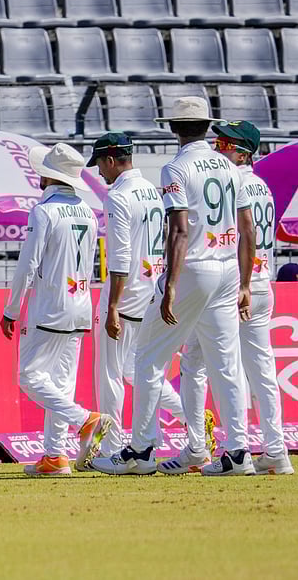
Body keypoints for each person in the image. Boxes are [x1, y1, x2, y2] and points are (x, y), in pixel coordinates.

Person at [93, 97, 256, 477]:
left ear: (174, 128)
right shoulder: (231, 166)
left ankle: (141, 450)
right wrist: (245, 282)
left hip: (194, 269)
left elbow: (180, 230)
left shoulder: (176, 167)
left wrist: (170, 288)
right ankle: (237, 453)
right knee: (227, 365)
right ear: (206, 126)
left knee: (148, 358)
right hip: (228, 266)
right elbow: (248, 229)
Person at [166, 121, 294, 475]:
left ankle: (205, 447)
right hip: (261, 282)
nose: (218, 147)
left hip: (235, 284)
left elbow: (237, 234)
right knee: (261, 370)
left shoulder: (233, 182)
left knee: (198, 363)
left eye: (225, 143)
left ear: (243, 152)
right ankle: (276, 449)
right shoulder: (261, 186)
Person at [0, 143, 114, 477]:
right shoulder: (87, 212)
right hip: (80, 303)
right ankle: (55, 455)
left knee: (30, 377)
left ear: (49, 175)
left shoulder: (44, 211)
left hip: (50, 305)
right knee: (60, 385)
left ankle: (85, 420)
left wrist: (11, 308)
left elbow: (28, 264)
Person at [87, 133, 187, 463]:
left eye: (101, 164)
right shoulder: (151, 191)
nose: (100, 172)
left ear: (112, 161)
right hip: (151, 292)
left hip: (126, 295)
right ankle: (191, 418)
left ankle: (114, 446)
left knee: (111, 374)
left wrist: (113, 305)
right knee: (141, 370)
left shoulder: (117, 196)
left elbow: (120, 256)